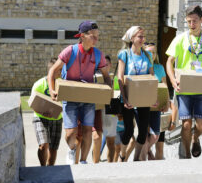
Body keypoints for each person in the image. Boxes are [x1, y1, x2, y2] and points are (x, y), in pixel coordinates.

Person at [48, 20, 112, 165]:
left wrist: (108, 90)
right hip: (70, 97)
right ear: (82, 36)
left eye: (97, 36)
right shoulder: (70, 51)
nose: (96, 39)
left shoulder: (98, 54)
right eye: (93, 36)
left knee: (88, 131)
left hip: (88, 97)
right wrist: (52, 90)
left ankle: (83, 161)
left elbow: (107, 76)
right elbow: (52, 71)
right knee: (70, 134)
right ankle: (72, 149)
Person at [166, 5, 202, 159]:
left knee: (201, 125)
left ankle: (195, 138)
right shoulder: (180, 39)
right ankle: (186, 155)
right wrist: (172, 81)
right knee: (185, 125)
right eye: (189, 21)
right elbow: (169, 61)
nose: (192, 24)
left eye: (195, 21)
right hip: (184, 90)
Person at [117, 26, 155, 161]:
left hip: (143, 97)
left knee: (143, 131)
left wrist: (153, 97)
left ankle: (136, 158)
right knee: (128, 131)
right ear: (132, 38)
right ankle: (122, 154)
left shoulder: (148, 55)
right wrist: (125, 98)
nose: (142, 39)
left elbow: (152, 77)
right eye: (139, 36)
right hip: (128, 97)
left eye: (143, 36)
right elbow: (120, 77)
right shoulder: (124, 54)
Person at [140, 42, 170, 160]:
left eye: (153, 52)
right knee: (144, 134)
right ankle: (142, 158)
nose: (151, 54)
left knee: (155, 135)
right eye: (149, 52)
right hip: (142, 105)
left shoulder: (160, 67)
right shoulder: (141, 67)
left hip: (156, 106)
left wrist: (167, 102)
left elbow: (165, 86)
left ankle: (143, 152)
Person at [31, 58, 63, 166]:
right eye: (59, 70)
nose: (62, 72)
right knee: (44, 145)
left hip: (56, 119)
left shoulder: (62, 84)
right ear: (52, 71)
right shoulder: (39, 84)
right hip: (40, 118)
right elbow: (32, 104)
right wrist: (44, 113)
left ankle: (50, 171)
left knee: (53, 149)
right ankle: (43, 168)